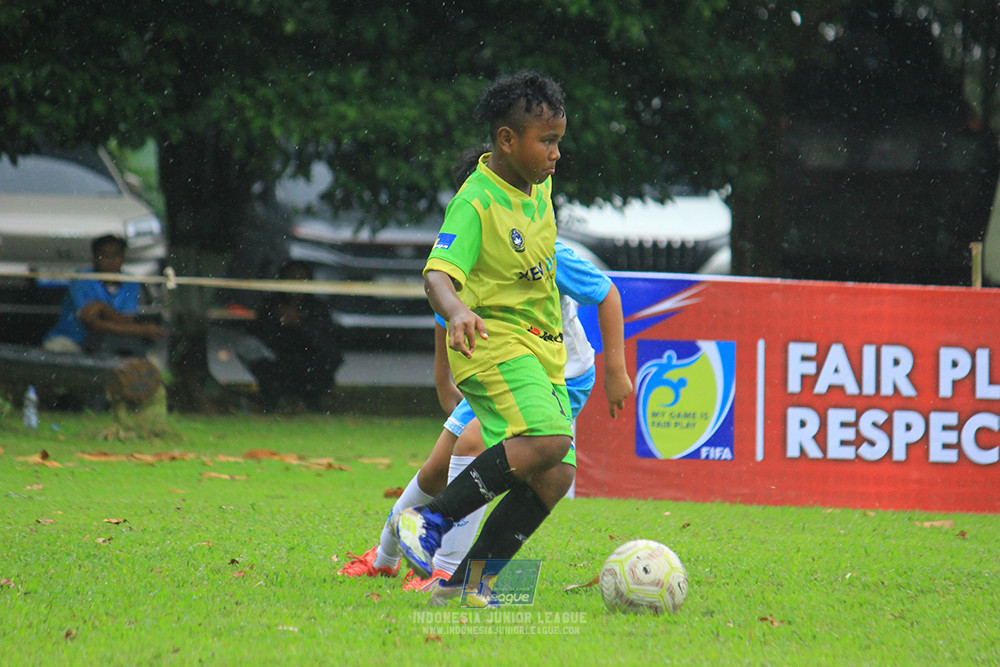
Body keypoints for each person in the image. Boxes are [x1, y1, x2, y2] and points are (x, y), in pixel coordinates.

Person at [392, 70, 590, 604]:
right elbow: (437, 274)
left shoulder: (540, 186)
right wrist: (455, 309)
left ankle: (466, 585)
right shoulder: (476, 201)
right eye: (546, 141)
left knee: (554, 476)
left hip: (543, 350)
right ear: (507, 140)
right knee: (551, 441)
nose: (555, 154)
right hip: (494, 344)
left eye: (558, 141)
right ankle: (428, 522)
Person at [337, 239, 631, 592]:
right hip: (496, 367)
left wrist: (616, 368)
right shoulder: (468, 246)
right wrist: (442, 377)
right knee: (435, 471)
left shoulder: (546, 250)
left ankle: (445, 572)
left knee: (483, 446)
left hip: (560, 377)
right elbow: (444, 307)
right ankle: (383, 560)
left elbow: (606, 293)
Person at [42, 234, 166, 356]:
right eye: (105, 255)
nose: (111, 260)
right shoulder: (82, 279)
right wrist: (142, 330)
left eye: (116, 255)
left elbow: (127, 320)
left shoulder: (130, 282)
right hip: (71, 341)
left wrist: (102, 308)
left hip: (109, 344)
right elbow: (92, 323)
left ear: (123, 258)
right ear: (94, 258)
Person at [248, 260, 344, 413]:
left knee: (324, 359)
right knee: (249, 347)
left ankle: (309, 399)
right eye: (292, 277)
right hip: (278, 362)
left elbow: (326, 344)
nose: (296, 282)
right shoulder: (272, 306)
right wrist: (279, 323)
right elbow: (260, 337)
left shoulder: (317, 308)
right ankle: (275, 397)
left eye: (301, 278)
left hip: (309, 363)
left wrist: (300, 324)